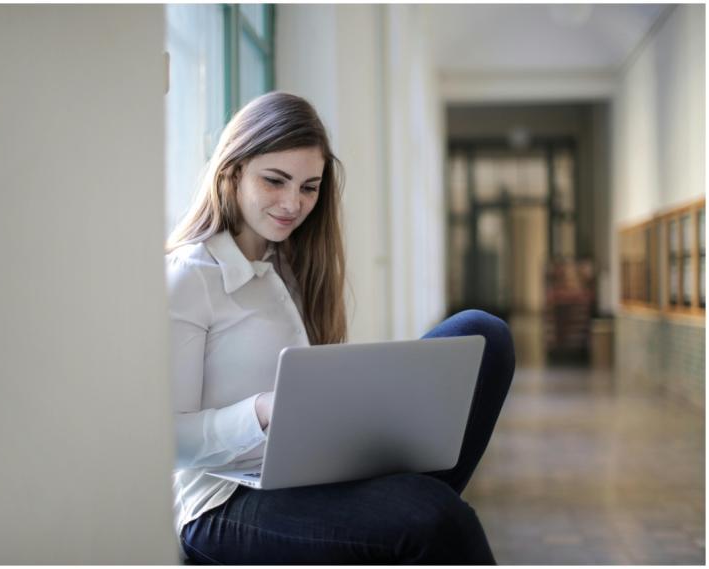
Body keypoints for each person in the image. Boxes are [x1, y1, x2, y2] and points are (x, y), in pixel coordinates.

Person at [165, 91, 515, 564]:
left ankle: (411, 514)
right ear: (232, 173)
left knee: (484, 333)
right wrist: (263, 411)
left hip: (305, 467)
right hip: (221, 504)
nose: (293, 203)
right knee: (435, 515)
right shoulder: (190, 275)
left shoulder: (285, 265)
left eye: (309, 187)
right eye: (275, 180)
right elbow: (169, 439)